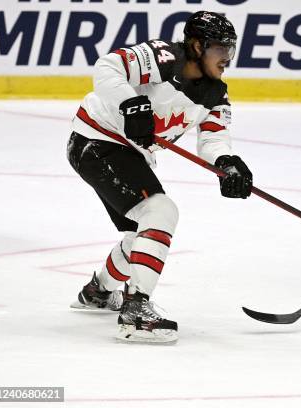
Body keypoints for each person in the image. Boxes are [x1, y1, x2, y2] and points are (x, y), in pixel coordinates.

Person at [67, 11, 253, 343]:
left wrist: (226, 162)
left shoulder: (216, 94)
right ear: (197, 46)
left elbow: (213, 139)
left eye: (231, 49)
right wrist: (131, 103)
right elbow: (107, 66)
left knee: (140, 234)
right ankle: (136, 309)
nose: (227, 58)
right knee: (161, 212)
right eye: (220, 49)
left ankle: (99, 291)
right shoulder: (162, 56)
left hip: (128, 153)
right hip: (97, 140)